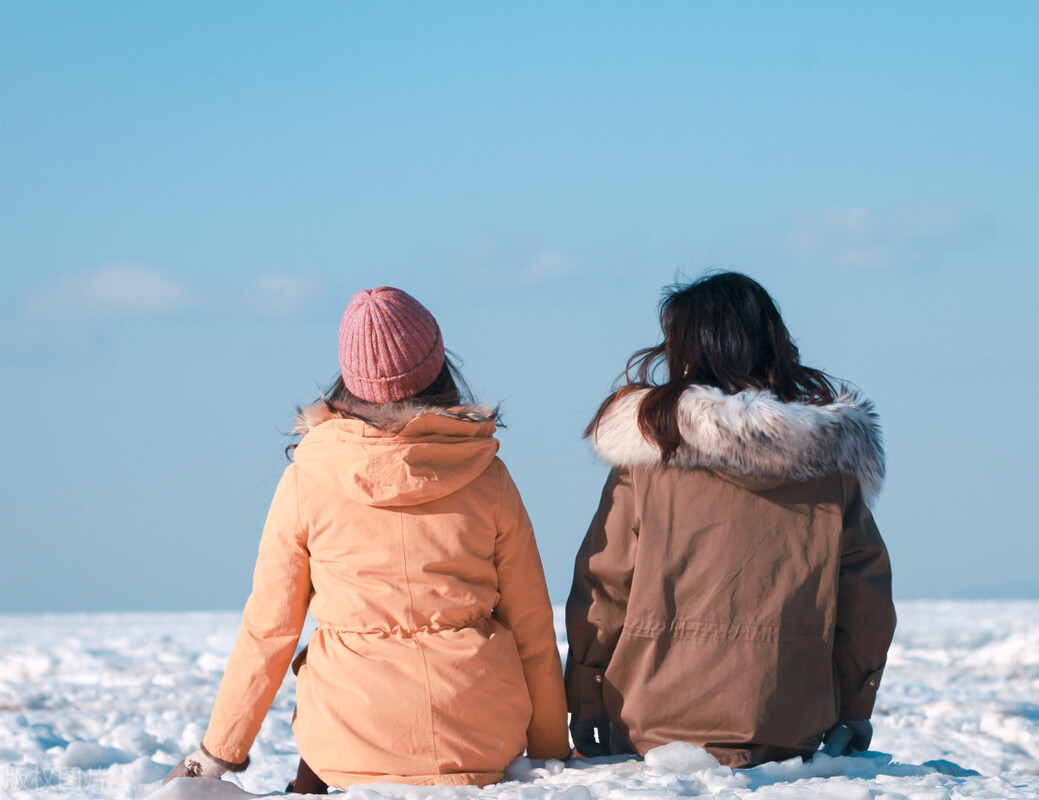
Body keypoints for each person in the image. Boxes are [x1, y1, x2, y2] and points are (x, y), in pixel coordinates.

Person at [166, 287, 569, 792]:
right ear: (439, 364)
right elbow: (531, 623)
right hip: (480, 736)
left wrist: (217, 754)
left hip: (348, 740)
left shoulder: (308, 478)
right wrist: (552, 751)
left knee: (326, 746)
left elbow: (270, 629)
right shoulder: (489, 475)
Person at [565, 272, 895, 768]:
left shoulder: (647, 462)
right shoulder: (830, 470)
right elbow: (864, 604)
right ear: (772, 344)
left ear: (687, 353)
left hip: (650, 728)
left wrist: (587, 700)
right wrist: (853, 709)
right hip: (788, 727)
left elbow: (603, 592)